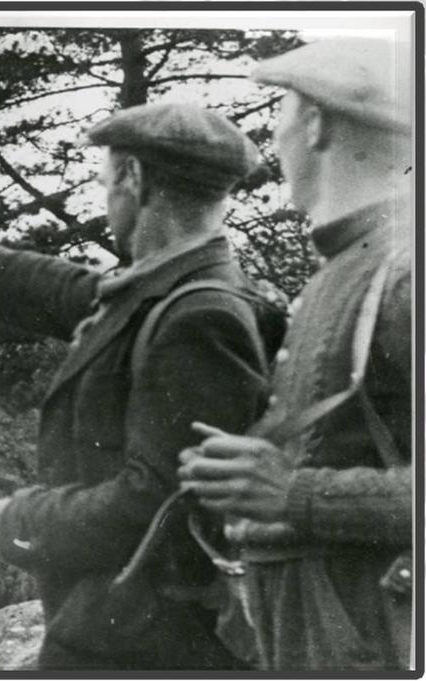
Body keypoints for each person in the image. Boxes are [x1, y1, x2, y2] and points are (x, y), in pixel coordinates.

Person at [0, 102, 279, 669]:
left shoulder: (198, 317)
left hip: (148, 649)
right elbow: (42, 285)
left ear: (134, 179)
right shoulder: (168, 292)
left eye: (105, 181)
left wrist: (25, 519)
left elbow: (157, 504)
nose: (106, 197)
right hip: (126, 634)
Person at [178, 38, 413, 670]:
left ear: (313, 122)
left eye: (282, 113)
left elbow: (304, 489)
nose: (276, 139)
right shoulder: (353, 264)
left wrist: (296, 494)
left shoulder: (402, 272)